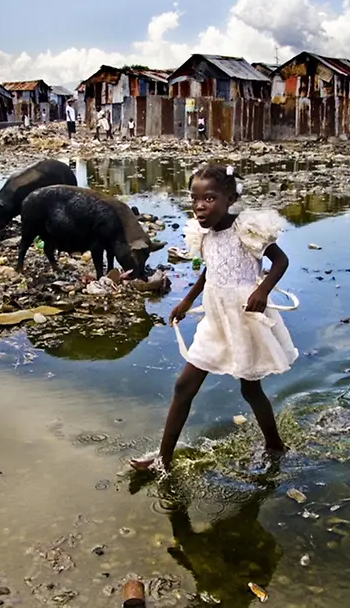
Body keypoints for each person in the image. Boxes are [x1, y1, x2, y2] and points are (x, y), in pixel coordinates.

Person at [130, 164, 298, 473]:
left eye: (209, 198)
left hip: (245, 316)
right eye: (194, 198)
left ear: (230, 199)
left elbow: (281, 261)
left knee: (250, 389)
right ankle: (162, 460)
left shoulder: (246, 230)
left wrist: (262, 290)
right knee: (184, 386)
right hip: (215, 318)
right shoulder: (203, 235)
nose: (199, 206)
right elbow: (210, 270)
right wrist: (187, 299)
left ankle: (275, 445)